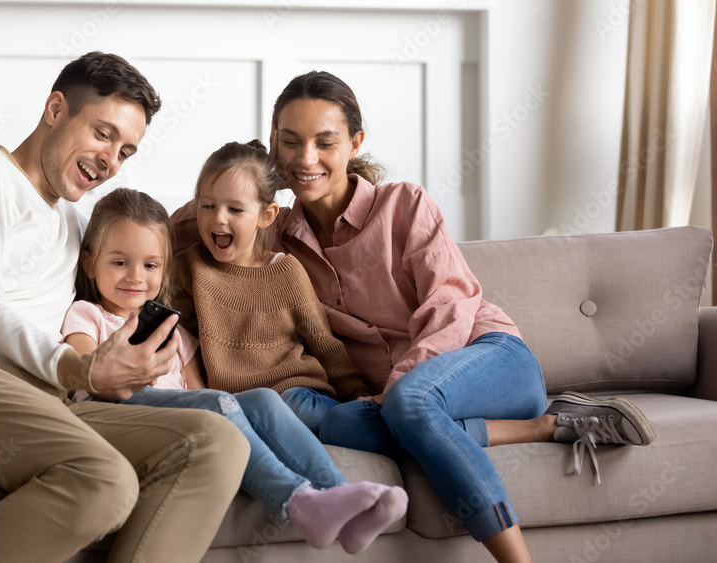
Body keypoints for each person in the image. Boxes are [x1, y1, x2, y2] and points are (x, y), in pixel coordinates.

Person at [172, 71, 656, 563]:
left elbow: (451, 306)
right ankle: (547, 426)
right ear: (274, 143)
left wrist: (399, 386)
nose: (305, 158)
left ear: (355, 142)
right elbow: (192, 219)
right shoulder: (276, 233)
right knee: (338, 426)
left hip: (488, 359)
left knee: (409, 402)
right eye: (290, 142)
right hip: (401, 403)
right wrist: (220, 197)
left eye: (325, 142)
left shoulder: (404, 205)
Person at [0, 52, 250, 563]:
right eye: (103, 133)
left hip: (42, 396)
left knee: (218, 442)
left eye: (127, 151)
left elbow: (147, 239)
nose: (111, 160)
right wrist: (78, 367)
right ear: (55, 109)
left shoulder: (74, 225)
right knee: (105, 479)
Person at [62, 185, 407, 554]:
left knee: (263, 399)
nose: (135, 277)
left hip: (179, 413)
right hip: (121, 413)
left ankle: (341, 500)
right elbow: (86, 373)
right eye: (118, 262)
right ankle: (300, 504)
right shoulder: (87, 316)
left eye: (150, 265)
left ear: (164, 270)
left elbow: (194, 391)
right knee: (221, 407)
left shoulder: (173, 330)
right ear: (89, 263)